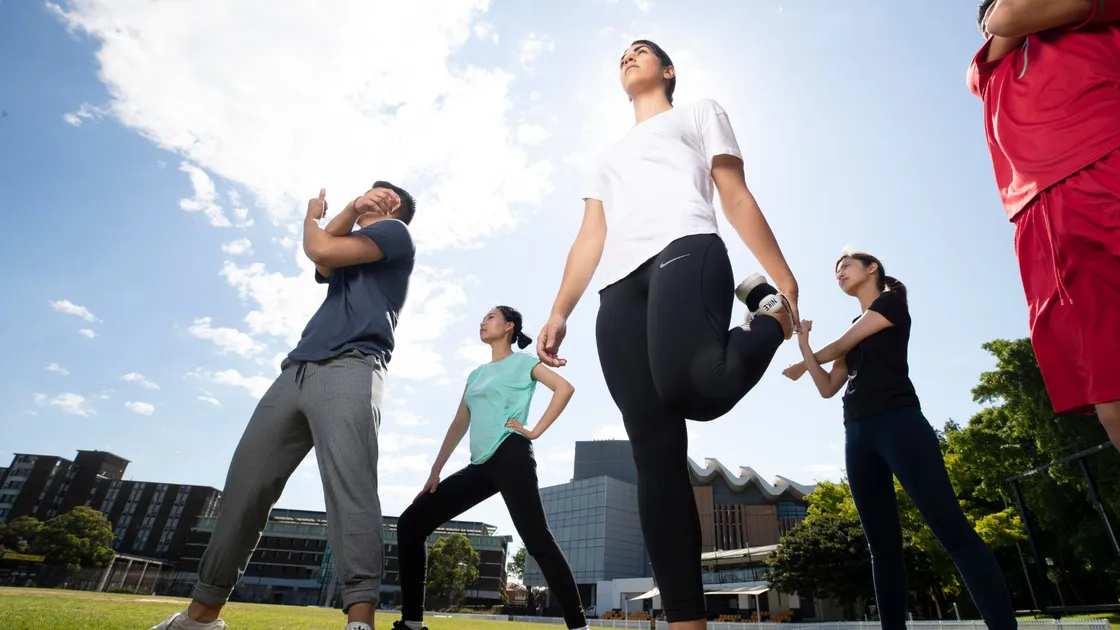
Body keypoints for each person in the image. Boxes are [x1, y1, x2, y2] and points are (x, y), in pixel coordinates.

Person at [535, 39, 800, 628]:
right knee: (655, 459)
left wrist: (782, 276)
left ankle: (768, 321)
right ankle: (685, 619)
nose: (627, 57)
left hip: (686, 247)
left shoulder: (698, 112)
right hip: (618, 291)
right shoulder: (604, 157)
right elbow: (589, 237)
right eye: (620, 55)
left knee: (696, 389)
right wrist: (560, 310)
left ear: (668, 70)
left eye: (641, 52)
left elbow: (732, 192)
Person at [971, 0, 1120, 598]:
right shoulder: (989, 60)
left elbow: (1012, 14)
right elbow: (996, 30)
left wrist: (1001, 18)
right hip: (1040, 216)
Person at [152, 182, 418, 630]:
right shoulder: (347, 253)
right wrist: (349, 209)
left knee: (349, 487)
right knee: (244, 489)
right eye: (364, 191)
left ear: (391, 206)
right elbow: (323, 254)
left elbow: (317, 245)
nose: (366, 196)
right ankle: (201, 617)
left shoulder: (395, 234)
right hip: (294, 372)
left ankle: (360, 619)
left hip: (352, 367)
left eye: (375, 193)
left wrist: (320, 213)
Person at [783, 252, 1016, 630]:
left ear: (872, 269)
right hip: (857, 433)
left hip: (899, 423)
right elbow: (828, 387)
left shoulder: (891, 304)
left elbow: (841, 346)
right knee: (882, 549)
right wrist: (804, 348)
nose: (838, 273)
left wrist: (800, 364)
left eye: (846, 266)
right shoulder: (854, 326)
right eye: (835, 271)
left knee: (952, 531)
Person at [395, 306, 587, 630]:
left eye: (491, 317)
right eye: (483, 318)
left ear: (509, 327)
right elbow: (459, 422)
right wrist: (435, 470)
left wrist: (534, 430)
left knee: (537, 539)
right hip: (480, 465)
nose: (483, 322)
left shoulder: (523, 362)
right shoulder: (475, 375)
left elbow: (564, 388)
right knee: (410, 523)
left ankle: (579, 626)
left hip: (511, 452)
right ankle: (412, 624)